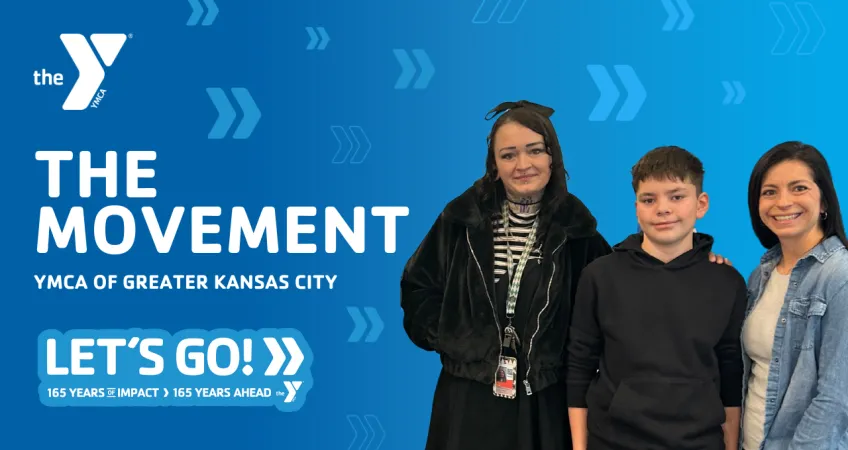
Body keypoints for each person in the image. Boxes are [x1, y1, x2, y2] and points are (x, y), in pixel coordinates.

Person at [400, 102, 730, 450]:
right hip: (468, 397)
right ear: (494, 165)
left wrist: (694, 259)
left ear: (551, 158)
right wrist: (458, 342)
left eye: (534, 151)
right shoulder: (460, 222)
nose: (523, 164)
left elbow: (627, 279)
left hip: (547, 402)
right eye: (508, 155)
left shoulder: (578, 231)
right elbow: (417, 287)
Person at [565, 146, 747, 450]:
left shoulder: (727, 281)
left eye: (676, 196)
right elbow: (579, 366)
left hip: (699, 442)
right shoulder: (599, 276)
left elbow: (731, 372)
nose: (662, 208)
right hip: (613, 440)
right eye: (649, 199)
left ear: (701, 204)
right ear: (636, 207)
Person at [740, 141, 848, 450]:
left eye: (798, 188)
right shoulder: (761, 275)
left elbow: (837, 398)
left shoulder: (840, 277)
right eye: (769, 192)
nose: (783, 202)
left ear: (825, 200)